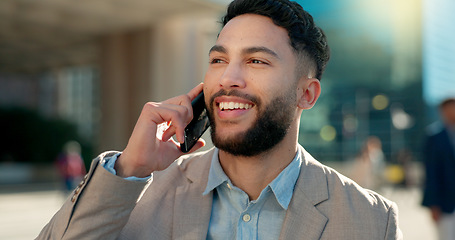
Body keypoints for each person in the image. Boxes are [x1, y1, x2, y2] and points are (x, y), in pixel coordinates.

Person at [37, 0, 402, 239]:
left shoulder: (370, 221)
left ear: (306, 94)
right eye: (218, 60)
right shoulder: (137, 193)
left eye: (257, 61)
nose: (228, 78)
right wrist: (130, 168)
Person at [422, 98, 455, 240]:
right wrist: (433, 203)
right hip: (445, 203)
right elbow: (431, 172)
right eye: (448, 109)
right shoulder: (434, 137)